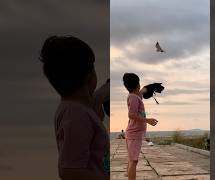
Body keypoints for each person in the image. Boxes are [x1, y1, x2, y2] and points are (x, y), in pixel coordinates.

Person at [39, 35, 110, 180]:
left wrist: (103, 92)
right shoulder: (76, 114)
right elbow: (69, 171)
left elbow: (91, 104)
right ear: (89, 75)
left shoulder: (74, 108)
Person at [122, 73, 158, 180]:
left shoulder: (135, 96)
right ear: (137, 85)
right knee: (134, 160)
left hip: (134, 134)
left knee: (131, 158)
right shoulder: (133, 98)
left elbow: (142, 92)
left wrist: (149, 87)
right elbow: (131, 114)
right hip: (134, 134)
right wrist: (148, 120)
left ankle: (128, 174)